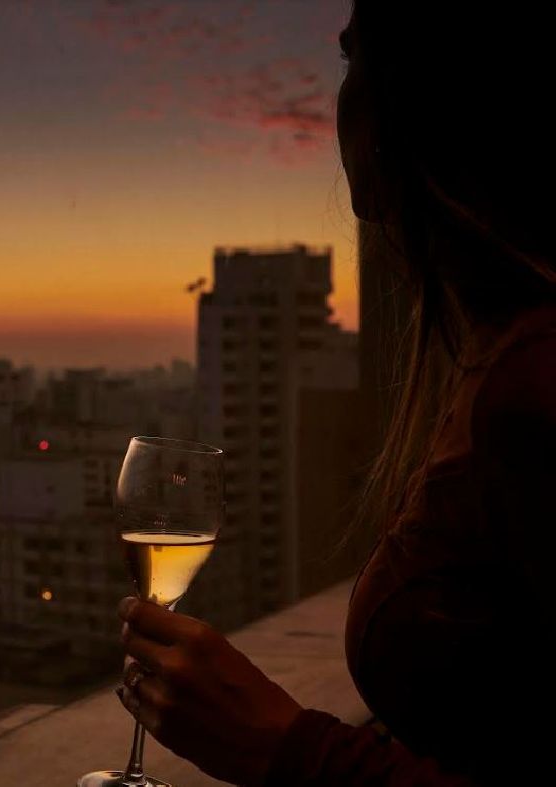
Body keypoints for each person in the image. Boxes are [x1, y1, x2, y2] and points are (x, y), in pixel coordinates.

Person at [116, 2, 556, 784]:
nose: (337, 102)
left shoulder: (533, 384)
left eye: (353, 63)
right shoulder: (494, 362)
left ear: (423, 99)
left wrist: (282, 745)